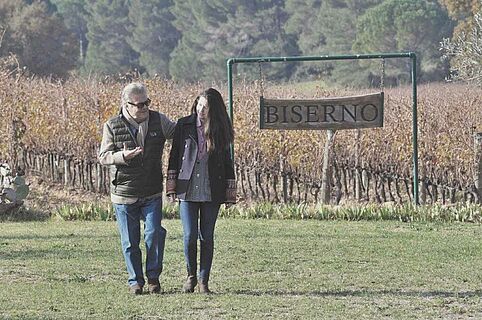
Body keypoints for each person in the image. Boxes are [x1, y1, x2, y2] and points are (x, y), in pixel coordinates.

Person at [98, 82, 175, 295]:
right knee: (130, 241)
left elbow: (178, 132)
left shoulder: (159, 120)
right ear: (126, 104)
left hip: (151, 190)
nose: (143, 108)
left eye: (146, 103)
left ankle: (153, 278)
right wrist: (122, 156)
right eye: (139, 105)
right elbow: (103, 156)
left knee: (154, 234)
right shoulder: (112, 125)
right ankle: (135, 281)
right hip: (124, 193)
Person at [166, 87, 236, 294]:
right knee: (189, 235)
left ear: (214, 110)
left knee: (207, 236)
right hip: (187, 188)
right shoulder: (183, 125)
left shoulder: (221, 129)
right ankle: (190, 277)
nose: (201, 110)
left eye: (205, 107)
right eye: (199, 105)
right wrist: (171, 187)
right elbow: (174, 155)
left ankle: (204, 280)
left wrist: (229, 192)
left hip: (211, 187)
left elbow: (227, 161)